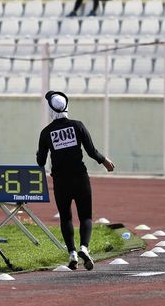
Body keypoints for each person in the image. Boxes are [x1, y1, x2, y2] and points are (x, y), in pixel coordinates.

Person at [36, 91, 115, 270]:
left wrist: (40, 154)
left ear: (51, 110)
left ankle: (72, 253)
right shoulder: (77, 126)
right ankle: (84, 248)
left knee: (66, 217)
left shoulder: (46, 133)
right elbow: (91, 151)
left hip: (60, 181)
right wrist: (104, 161)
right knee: (85, 216)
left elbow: (41, 161)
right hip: (80, 178)